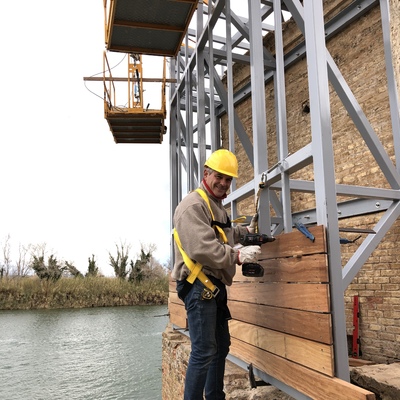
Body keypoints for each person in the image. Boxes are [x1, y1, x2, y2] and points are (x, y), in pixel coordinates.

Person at [172, 148, 261, 400]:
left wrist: (247, 233)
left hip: (213, 286)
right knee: (204, 350)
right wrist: (237, 255)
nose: (223, 183)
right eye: (219, 177)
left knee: (221, 347)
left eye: (228, 179)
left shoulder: (215, 207)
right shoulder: (193, 205)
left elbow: (225, 233)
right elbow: (202, 247)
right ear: (206, 173)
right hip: (199, 286)